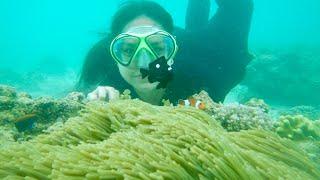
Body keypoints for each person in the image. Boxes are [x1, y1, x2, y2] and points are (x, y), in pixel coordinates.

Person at [77, 0, 254, 105]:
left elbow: (239, 6)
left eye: (157, 47)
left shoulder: (208, 73)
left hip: (199, 46)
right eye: (129, 49)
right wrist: (93, 99)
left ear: (173, 50)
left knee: (203, 27)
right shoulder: (101, 74)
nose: (143, 63)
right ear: (113, 54)